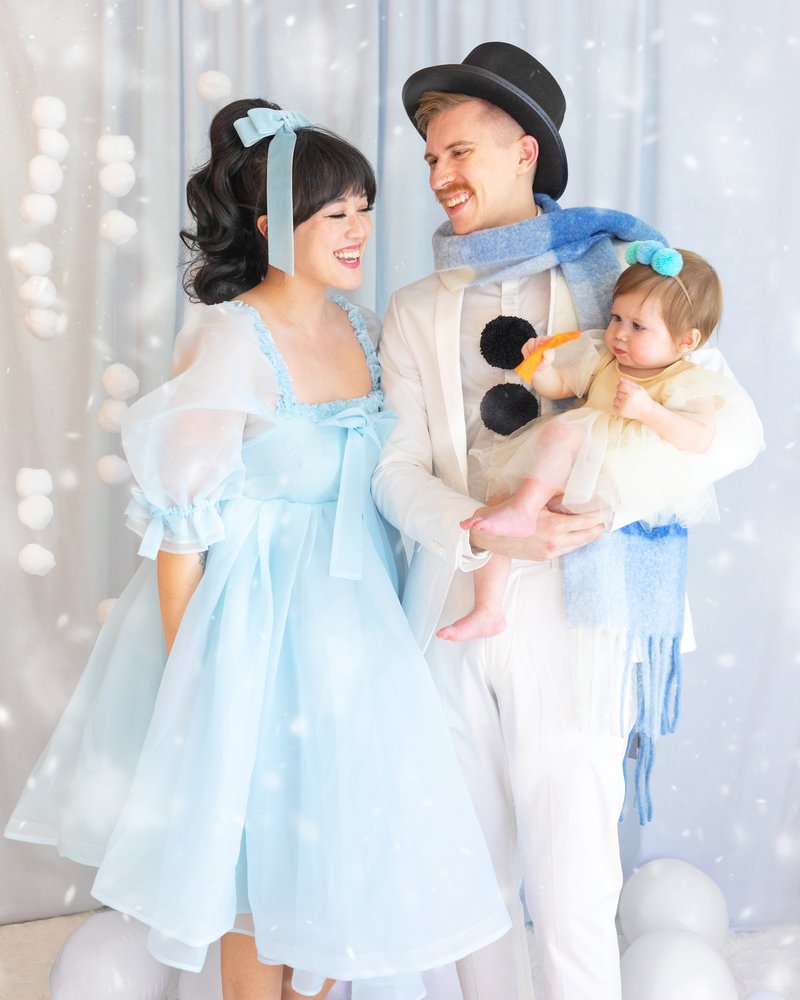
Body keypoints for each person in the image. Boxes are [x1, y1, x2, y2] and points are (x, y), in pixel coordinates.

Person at [5, 99, 511, 1000]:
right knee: (260, 878)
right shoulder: (229, 337)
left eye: (365, 207)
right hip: (260, 638)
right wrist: (193, 683)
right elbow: (179, 531)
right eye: (336, 214)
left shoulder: (362, 329)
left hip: (360, 636)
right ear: (275, 223)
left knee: (342, 865)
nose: (360, 230)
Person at [372, 43, 763, 1000]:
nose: (440, 176)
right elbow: (394, 472)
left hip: (583, 599)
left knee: (574, 869)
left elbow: (734, 434)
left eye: (458, 151)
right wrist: (483, 530)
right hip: (453, 596)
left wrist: (602, 493)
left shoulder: (629, 280)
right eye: (429, 159)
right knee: (469, 872)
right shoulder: (413, 309)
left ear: (524, 154)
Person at [443, 243, 754, 642]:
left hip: (618, 473)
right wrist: (540, 368)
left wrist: (648, 412)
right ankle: (488, 608)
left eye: (638, 327)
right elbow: (559, 388)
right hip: (574, 459)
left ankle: (524, 512)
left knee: (562, 433)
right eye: (616, 318)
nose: (619, 334)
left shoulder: (687, 381)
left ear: (685, 341)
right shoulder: (604, 359)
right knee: (498, 495)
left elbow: (699, 439)